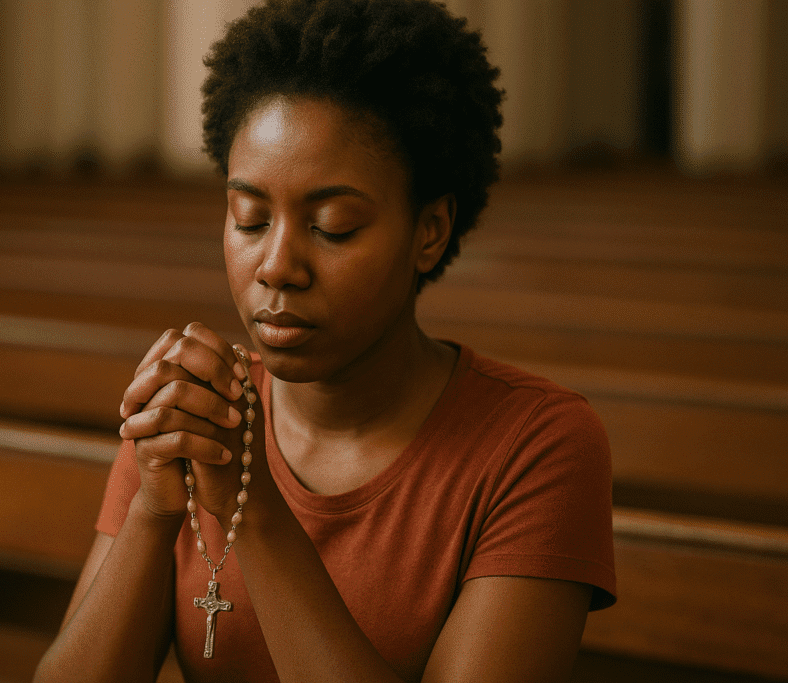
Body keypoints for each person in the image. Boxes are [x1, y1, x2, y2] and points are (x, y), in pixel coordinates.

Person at [34, 0, 616, 681]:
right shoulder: (197, 410)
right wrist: (151, 511)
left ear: (429, 231)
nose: (277, 265)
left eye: (333, 225)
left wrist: (253, 507)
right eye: (250, 218)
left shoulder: (537, 444)